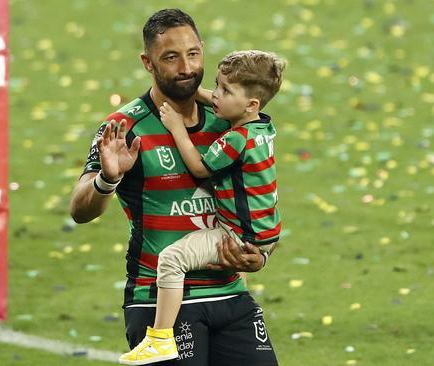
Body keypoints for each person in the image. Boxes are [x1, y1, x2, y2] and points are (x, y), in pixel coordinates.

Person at [70, 9, 278, 366]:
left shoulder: (229, 118)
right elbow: (79, 208)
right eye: (171, 57)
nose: (186, 67)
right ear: (147, 63)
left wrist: (259, 255)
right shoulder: (125, 126)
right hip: (157, 301)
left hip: (230, 294)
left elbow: (259, 197)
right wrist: (108, 179)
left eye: (193, 53)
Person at [119, 50, 285, 365]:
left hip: (237, 236)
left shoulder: (236, 139)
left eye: (225, 91)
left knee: (171, 259)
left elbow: (199, 168)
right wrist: (195, 91)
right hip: (267, 233)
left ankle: (160, 338)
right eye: (216, 86)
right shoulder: (264, 127)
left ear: (250, 105)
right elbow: (233, 100)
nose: (215, 96)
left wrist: (176, 126)